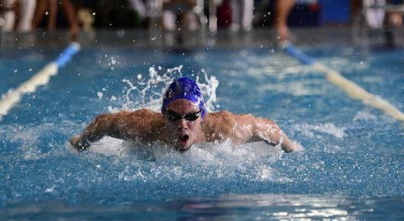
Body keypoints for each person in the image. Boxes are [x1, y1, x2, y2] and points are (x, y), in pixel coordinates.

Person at [70, 77, 299, 153]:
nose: (182, 124)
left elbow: (266, 128)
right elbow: (103, 123)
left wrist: (292, 148)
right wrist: (80, 143)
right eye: (173, 116)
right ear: (162, 116)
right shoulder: (144, 128)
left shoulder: (226, 129)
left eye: (190, 117)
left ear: (202, 116)